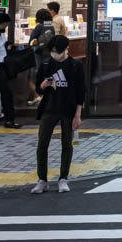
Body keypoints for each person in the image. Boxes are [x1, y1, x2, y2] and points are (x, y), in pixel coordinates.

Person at [30, 36, 85, 194]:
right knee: (42, 143)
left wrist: (78, 114)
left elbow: (81, 91)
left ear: (66, 49)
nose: (54, 54)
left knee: (67, 144)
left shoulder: (75, 66)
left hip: (68, 109)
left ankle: (63, 178)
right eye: (52, 51)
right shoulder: (47, 64)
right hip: (49, 108)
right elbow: (38, 88)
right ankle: (42, 180)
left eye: (57, 51)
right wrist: (42, 85)